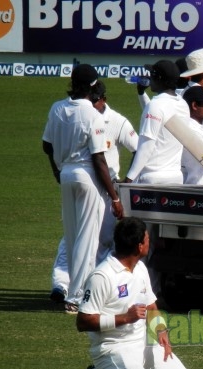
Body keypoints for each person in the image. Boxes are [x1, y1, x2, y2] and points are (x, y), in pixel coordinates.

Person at [78, 217, 203, 369]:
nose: (151, 242)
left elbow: (151, 306)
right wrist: (124, 318)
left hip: (144, 344)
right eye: (148, 238)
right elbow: (83, 322)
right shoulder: (102, 276)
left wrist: (161, 331)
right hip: (113, 348)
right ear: (139, 246)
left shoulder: (140, 268)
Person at [42, 64, 123, 313]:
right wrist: (115, 197)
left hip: (66, 175)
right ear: (93, 87)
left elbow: (46, 145)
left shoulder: (57, 108)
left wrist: (58, 172)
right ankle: (77, 298)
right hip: (88, 177)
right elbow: (99, 160)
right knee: (87, 241)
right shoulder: (93, 116)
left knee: (72, 236)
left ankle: (73, 293)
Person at [50, 81, 139, 303]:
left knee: (102, 240)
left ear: (103, 100)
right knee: (74, 237)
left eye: (96, 101)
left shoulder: (116, 121)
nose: (93, 104)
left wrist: (126, 181)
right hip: (89, 183)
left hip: (107, 189)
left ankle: (92, 289)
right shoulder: (83, 114)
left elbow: (139, 148)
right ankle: (62, 285)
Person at [123, 60, 188, 185]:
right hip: (176, 177)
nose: (149, 78)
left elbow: (146, 147)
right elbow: (159, 116)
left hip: (152, 179)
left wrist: (129, 179)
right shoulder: (182, 104)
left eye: (152, 74)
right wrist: (141, 93)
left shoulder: (156, 106)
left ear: (158, 78)